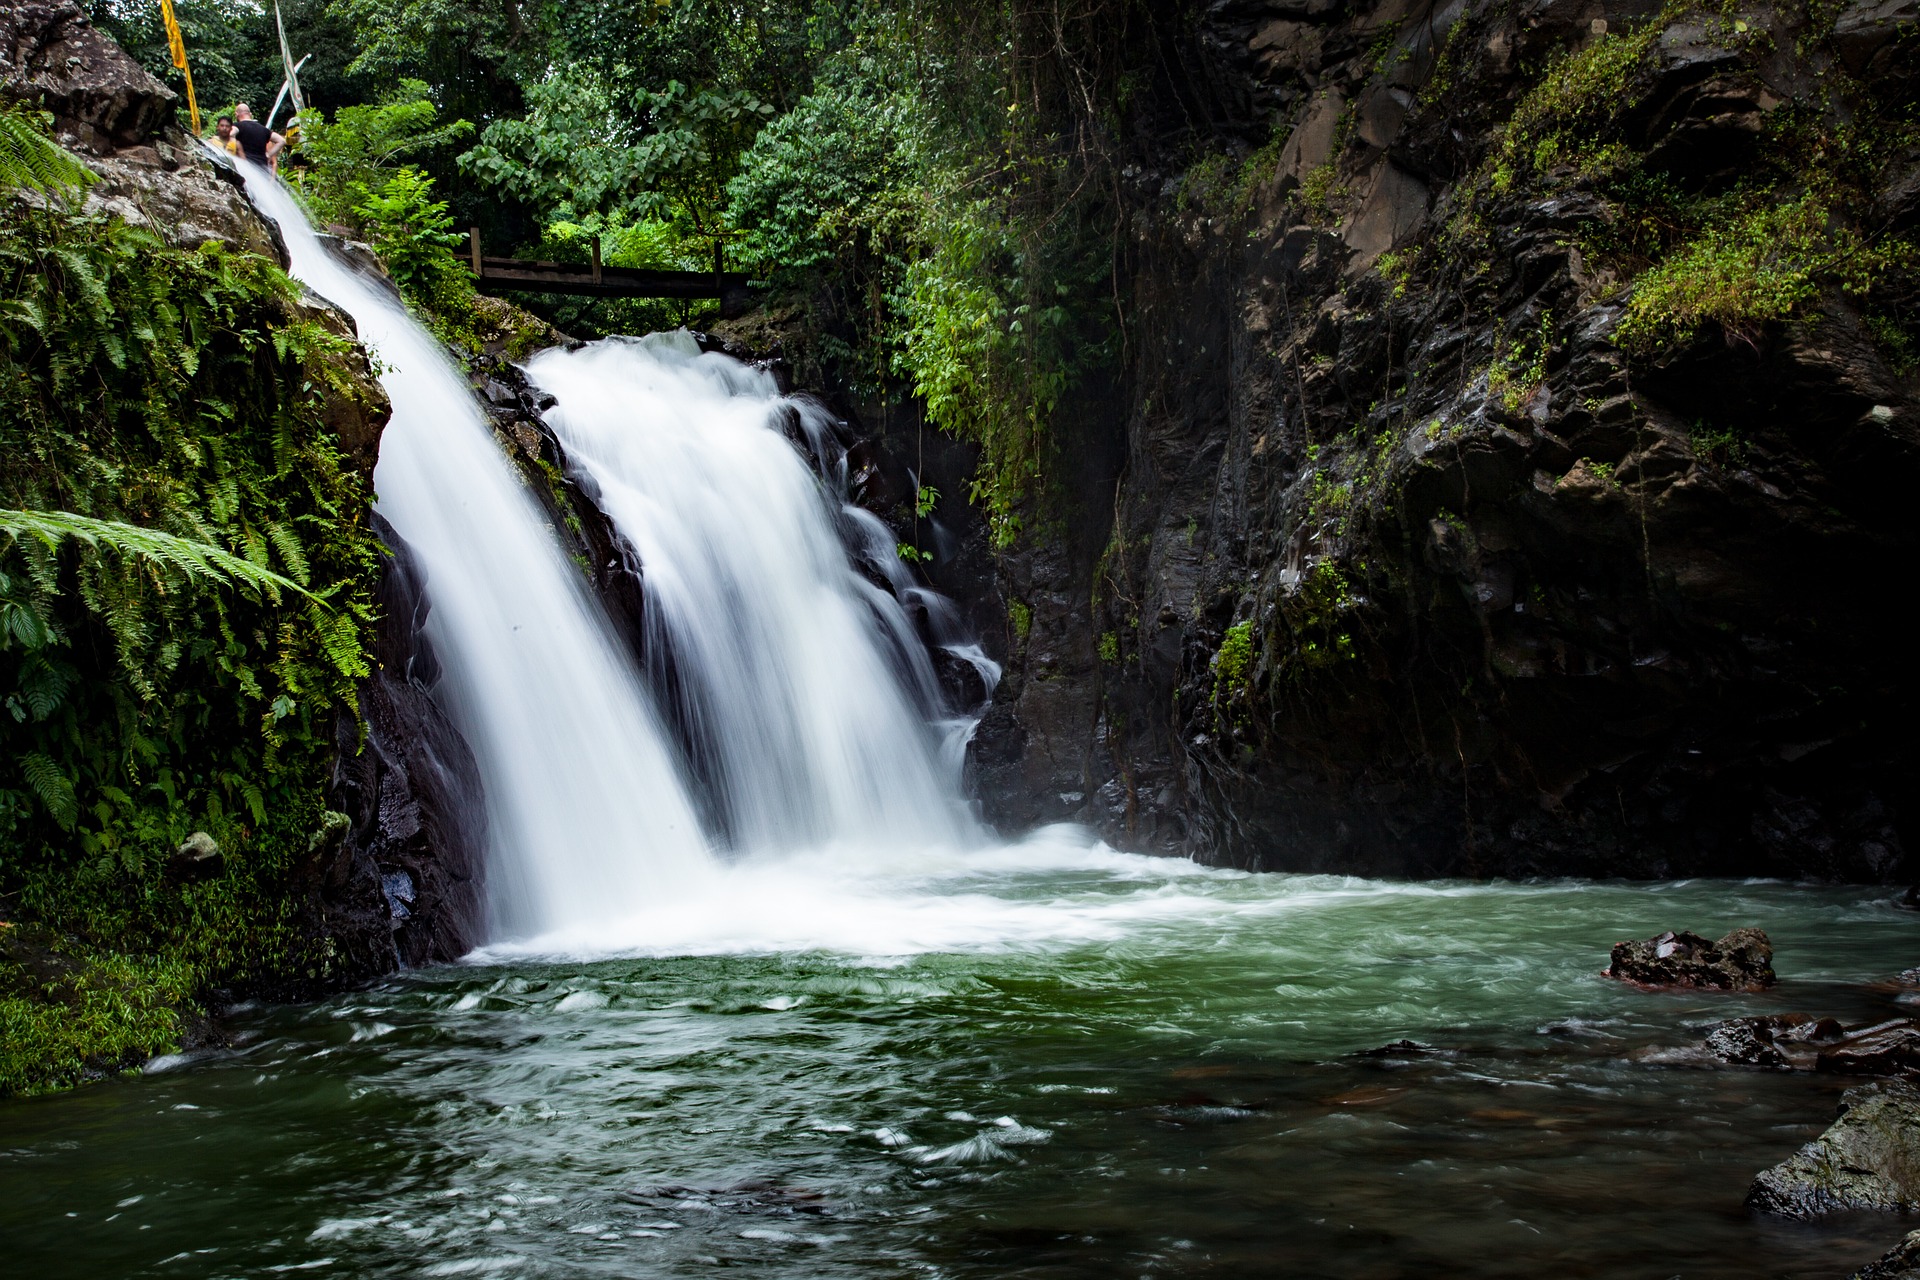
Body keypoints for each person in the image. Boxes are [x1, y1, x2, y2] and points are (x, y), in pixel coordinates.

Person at [231, 103, 284, 171]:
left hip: (244, 168)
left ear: (236, 114)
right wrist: (268, 155)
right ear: (250, 114)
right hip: (262, 169)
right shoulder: (263, 129)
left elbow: (230, 134)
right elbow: (281, 141)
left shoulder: (237, 126)